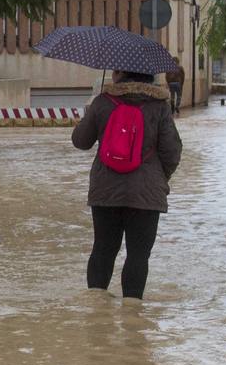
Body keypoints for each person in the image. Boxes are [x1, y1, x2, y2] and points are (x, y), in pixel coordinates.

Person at [71, 70, 183, 300]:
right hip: (146, 194)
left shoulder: (102, 103)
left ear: (120, 73)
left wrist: (92, 111)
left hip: (105, 191)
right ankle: (132, 317)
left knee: (103, 248)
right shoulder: (159, 106)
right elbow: (172, 151)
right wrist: (158, 178)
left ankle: (96, 312)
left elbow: (80, 141)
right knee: (138, 255)